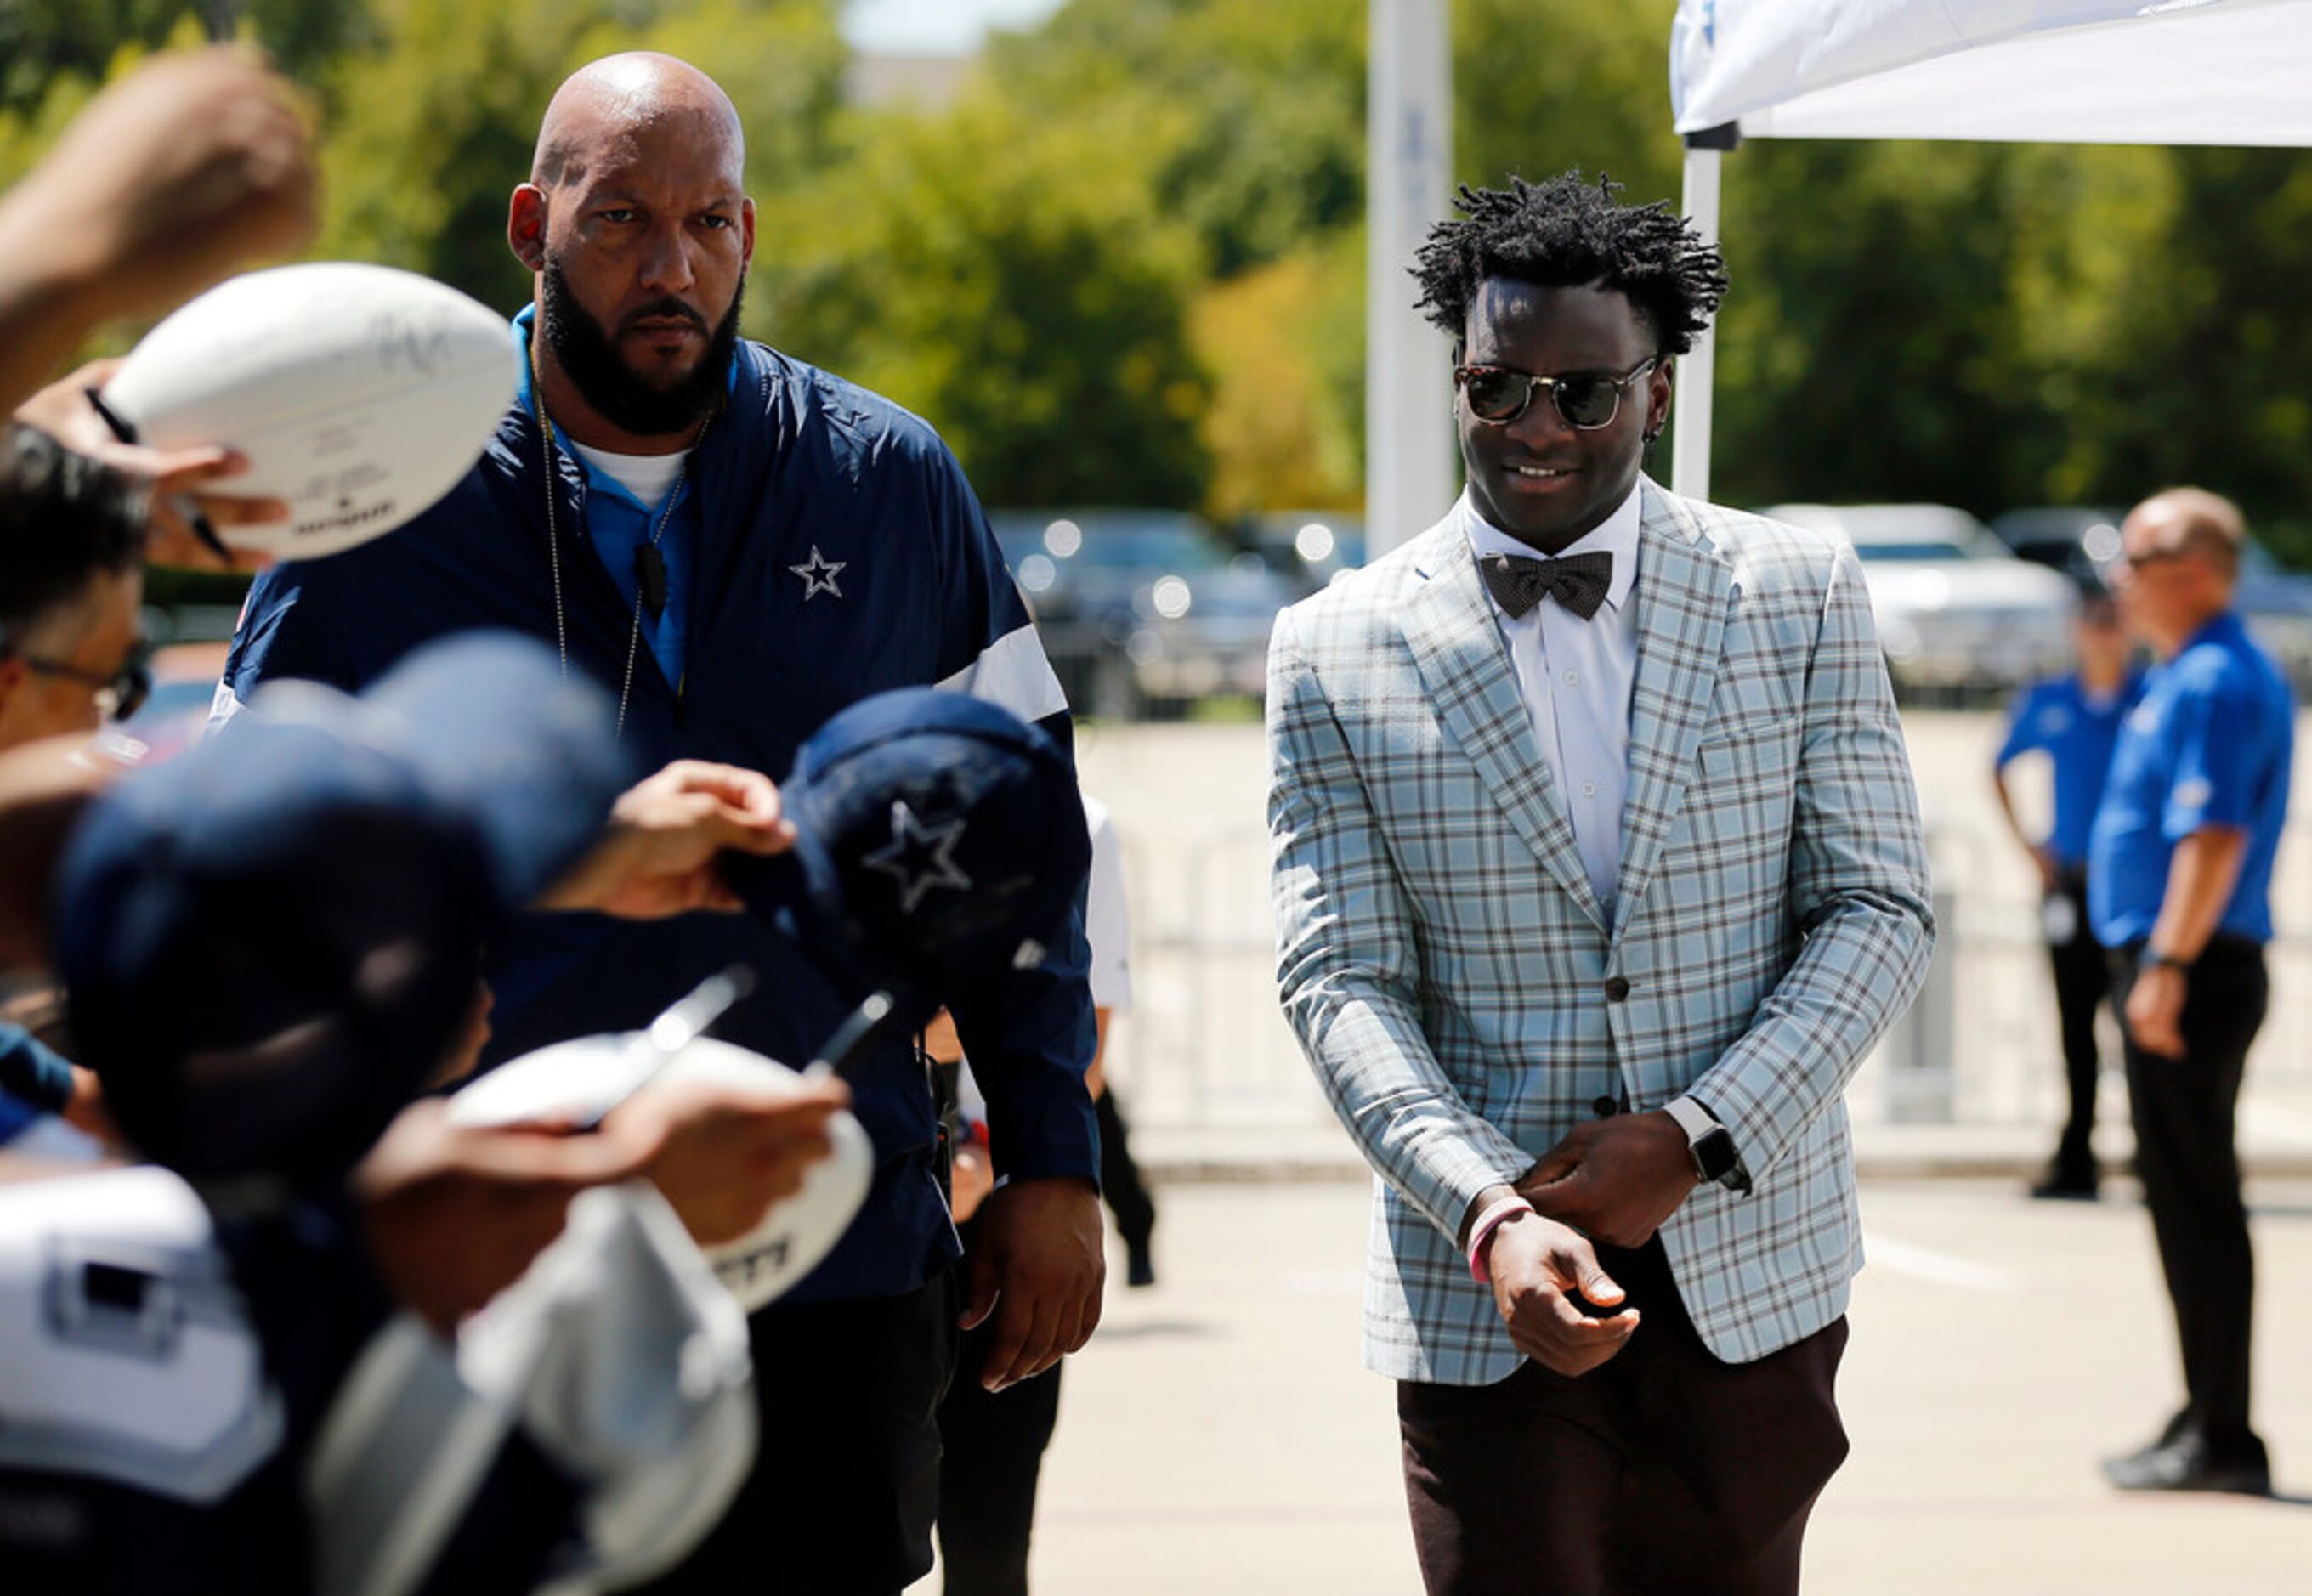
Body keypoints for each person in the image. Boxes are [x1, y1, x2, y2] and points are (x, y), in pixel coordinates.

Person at [217, 52, 1103, 1591]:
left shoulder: (889, 480)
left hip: (836, 1247)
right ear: (530, 225)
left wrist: (1055, 1157)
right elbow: (240, 864)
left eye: (707, 223)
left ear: (751, 233)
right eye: (621, 217)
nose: (671, 265)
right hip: (494, 1249)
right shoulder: (380, 501)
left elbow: (1020, 843)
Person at [1266, 173, 1935, 1594]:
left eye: (1584, 394)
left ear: (1662, 391)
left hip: (1753, 1266)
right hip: (1483, 1280)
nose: (1537, 431)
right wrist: (1486, 1209)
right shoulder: (1332, 647)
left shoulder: (1797, 591)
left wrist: (1696, 1132)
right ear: (1458, 376)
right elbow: (1342, 978)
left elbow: (1878, 908)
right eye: (1499, 389)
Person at [2088, 488, 2290, 1497]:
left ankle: (2223, 1432)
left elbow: (2211, 841)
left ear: (2199, 567)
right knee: (2182, 1202)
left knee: (2196, 1206)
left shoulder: (2212, 679)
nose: (2118, 577)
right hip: (2180, 962)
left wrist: (2161, 968)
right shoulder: (2185, 673)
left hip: (2190, 967)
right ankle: (2205, 1406)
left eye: (2139, 555)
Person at [933, 789, 1143, 1595]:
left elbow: (1084, 1048)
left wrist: (984, 1160)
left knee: (989, 1534)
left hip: (993, 1219)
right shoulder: (832, 793)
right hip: (862, 1213)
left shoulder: (1079, 822)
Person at [1992, 586, 2144, 1199]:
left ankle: (2151, 1155)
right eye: (2095, 621)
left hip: (2134, 888)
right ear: (2078, 629)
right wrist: (2031, 848)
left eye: (2114, 621)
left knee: (2139, 1024)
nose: (2104, 633)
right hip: (2073, 882)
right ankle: (2077, 1158)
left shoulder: (2151, 699)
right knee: (2075, 1024)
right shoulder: (2053, 700)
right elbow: (1999, 764)